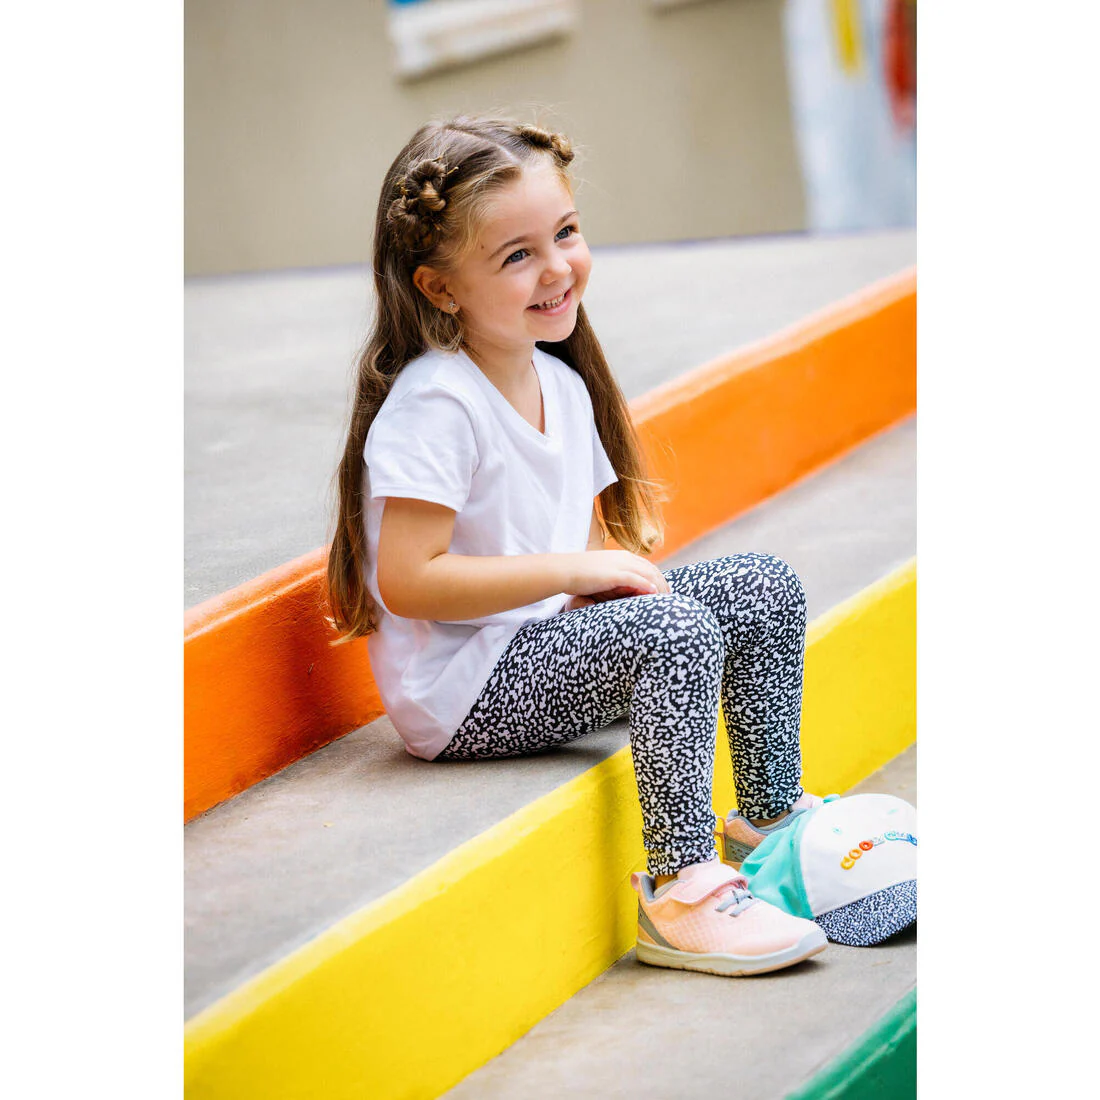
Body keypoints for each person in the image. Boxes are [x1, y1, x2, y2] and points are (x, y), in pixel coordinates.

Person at [327, 114, 827, 977]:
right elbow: (408, 580)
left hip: (537, 646)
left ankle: (770, 830)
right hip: (465, 693)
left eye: (564, 232)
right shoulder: (436, 402)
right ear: (440, 288)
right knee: (673, 633)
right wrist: (571, 574)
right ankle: (680, 895)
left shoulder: (557, 380)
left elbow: (551, 550)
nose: (557, 267)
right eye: (515, 254)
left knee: (761, 587)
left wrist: (586, 589)